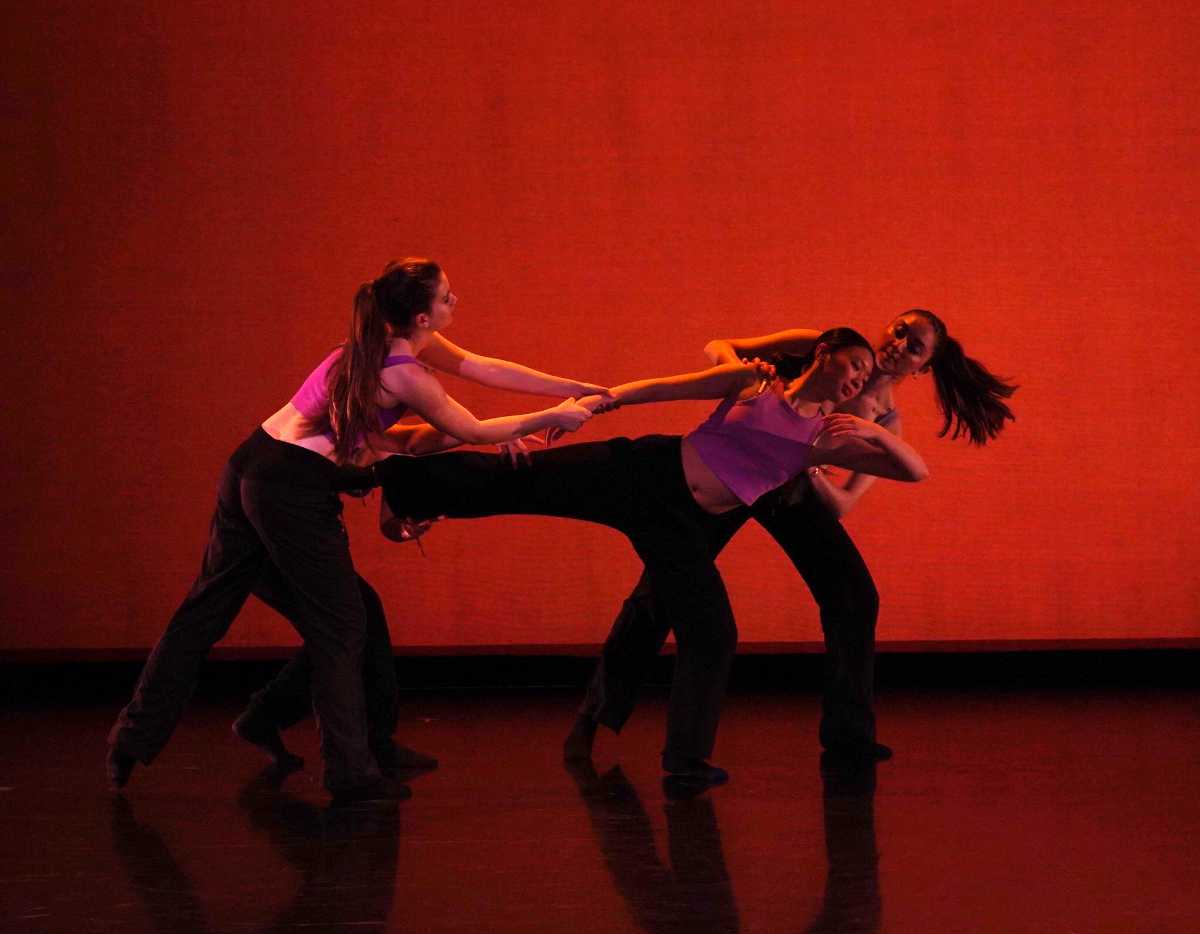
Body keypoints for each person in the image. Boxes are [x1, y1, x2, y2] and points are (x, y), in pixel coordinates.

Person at [106, 258, 601, 803]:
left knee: (260, 607)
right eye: (446, 297)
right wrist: (550, 416)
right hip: (288, 489)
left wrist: (569, 387)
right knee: (341, 623)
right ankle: (351, 770)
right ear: (420, 315)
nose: (454, 302)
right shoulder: (405, 372)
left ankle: (140, 738)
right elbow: (471, 427)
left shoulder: (387, 345)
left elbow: (482, 373)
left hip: (251, 464)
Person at [374, 328, 929, 784]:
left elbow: (914, 470)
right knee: (523, 480)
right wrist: (591, 404)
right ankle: (398, 482)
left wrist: (872, 433)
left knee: (712, 632)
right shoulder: (754, 383)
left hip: (683, 528)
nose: (859, 376)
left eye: (863, 372)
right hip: (642, 474)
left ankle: (685, 761)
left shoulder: (825, 437)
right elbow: (664, 388)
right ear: (824, 353)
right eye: (853, 363)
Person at [564, 308, 1016, 763]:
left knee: (854, 595)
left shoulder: (885, 423)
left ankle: (849, 737)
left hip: (791, 490)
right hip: (735, 470)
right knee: (662, 589)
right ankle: (592, 718)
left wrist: (807, 465)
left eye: (914, 347)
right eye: (899, 331)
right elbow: (719, 345)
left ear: (923, 368)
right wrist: (750, 371)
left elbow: (840, 506)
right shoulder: (822, 346)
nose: (899, 344)